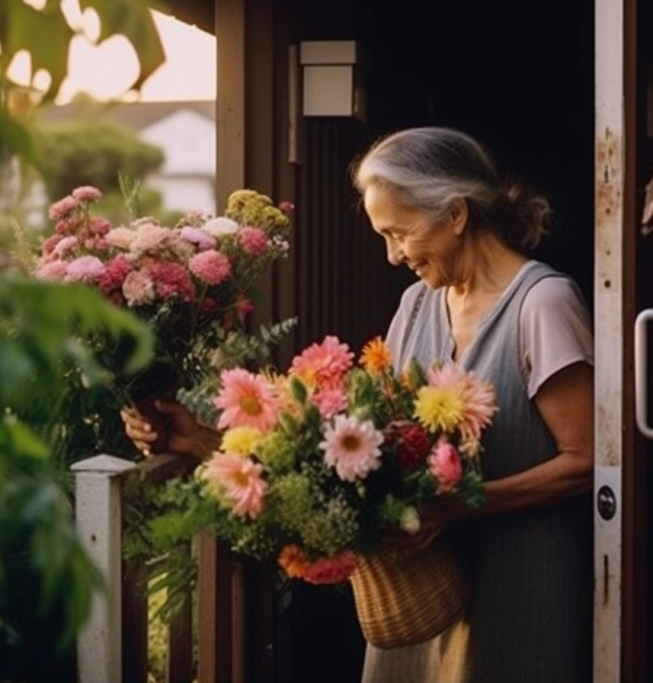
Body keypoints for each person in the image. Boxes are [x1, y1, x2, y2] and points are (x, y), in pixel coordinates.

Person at [122, 126, 595, 683]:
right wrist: (204, 439)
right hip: (424, 595)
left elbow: (585, 461)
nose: (394, 256)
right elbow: (371, 443)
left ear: (456, 214)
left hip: (519, 591)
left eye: (399, 233)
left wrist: (458, 506)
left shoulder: (543, 304)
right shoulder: (418, 305)